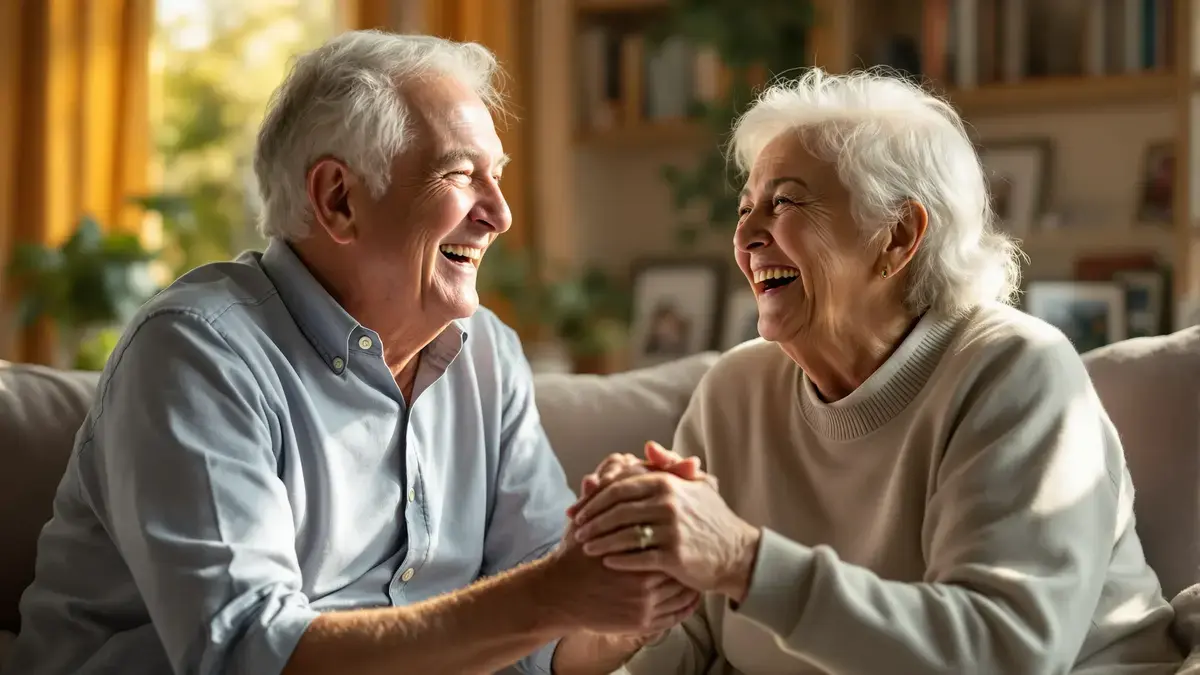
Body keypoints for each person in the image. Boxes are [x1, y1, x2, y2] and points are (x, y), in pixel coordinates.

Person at [3, 31, 700, 675]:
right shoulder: (196, 353)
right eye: (461, 174)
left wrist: (641, 587)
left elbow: (535, 649)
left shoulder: (488, 355)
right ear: (338, 199)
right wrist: (552, 594)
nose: (499, 212)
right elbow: (247, 652)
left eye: (499, 174)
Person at [566, 69, 1185, 674]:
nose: (747, 236)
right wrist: (624, 602)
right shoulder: (735, 393)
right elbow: (688, 649)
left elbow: (1006, 653)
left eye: (783, 203)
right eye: (745, 208)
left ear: (897, 234)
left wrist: (744, 561)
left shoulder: (1014, 373)